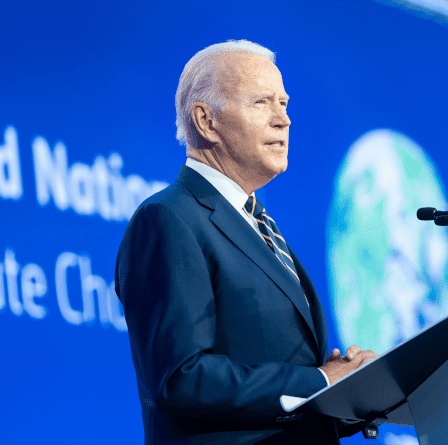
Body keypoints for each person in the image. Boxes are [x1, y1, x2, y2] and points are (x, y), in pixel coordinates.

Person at [115, 40, 376, 445]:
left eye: (284, 104)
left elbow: (273, 390)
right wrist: (319, 380)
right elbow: (180, 378)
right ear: (207, 121)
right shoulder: (169, 218)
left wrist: (348, 394)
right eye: (261, 102)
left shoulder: (261, 226)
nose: (283, 119)